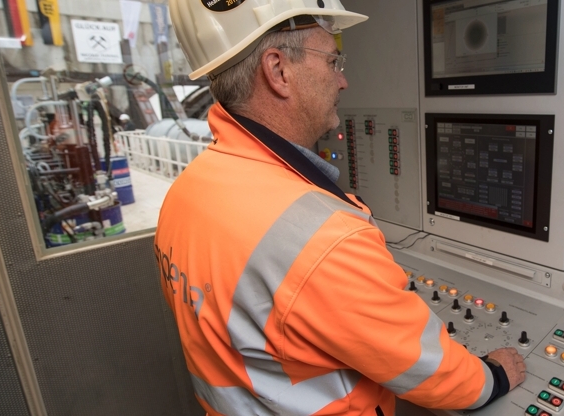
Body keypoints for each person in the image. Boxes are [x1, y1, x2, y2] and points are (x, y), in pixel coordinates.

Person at [155, 1, 526, 415]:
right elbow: (430, 370)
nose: (344, 80)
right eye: (333, 61)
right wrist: (493, 376)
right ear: (278, 71)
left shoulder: (186, 192)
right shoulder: (322, 237)